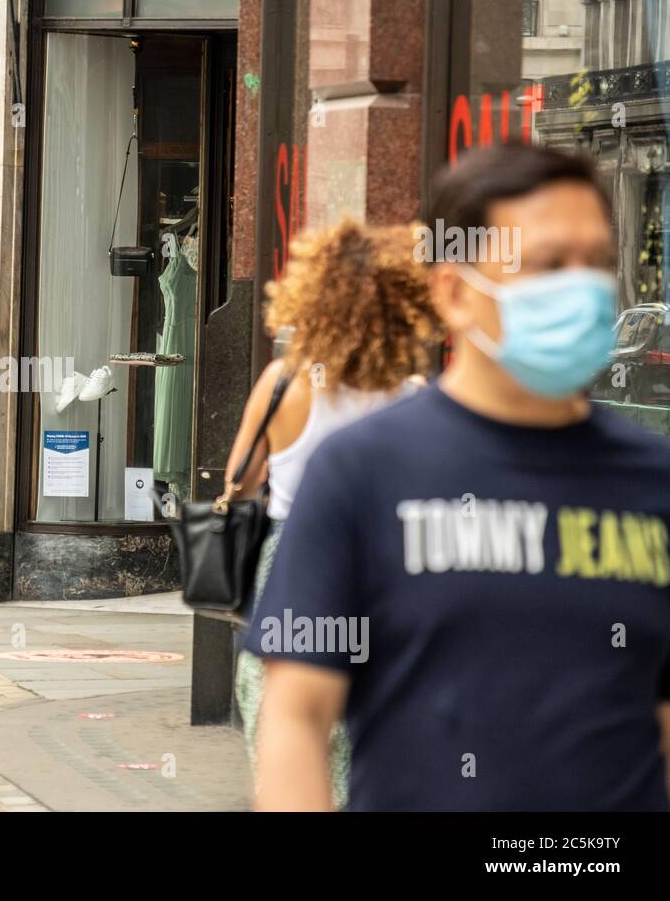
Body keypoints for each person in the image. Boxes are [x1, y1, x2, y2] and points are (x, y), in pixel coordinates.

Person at [249, 142, 670, 811]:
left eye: (596, 262)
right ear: (454, 291)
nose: (583, 287)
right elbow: (297, 714)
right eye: (547, 263)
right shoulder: (364, 473)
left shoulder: (654, 485)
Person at [225, 219, 441, 808]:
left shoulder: (284, 384)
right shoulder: (415, 394)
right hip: (392, 575)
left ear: (312, 299)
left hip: (292, 567)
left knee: (289, 723)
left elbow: (238, 481)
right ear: (404, 307)